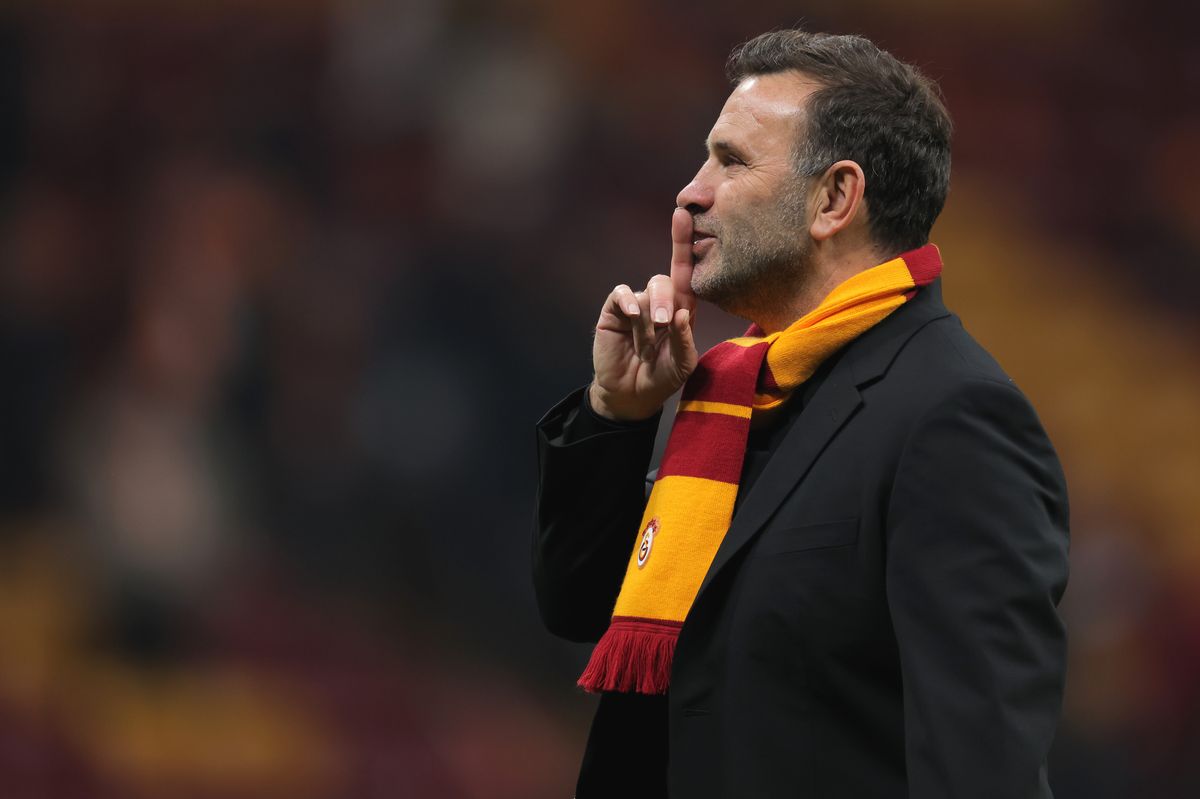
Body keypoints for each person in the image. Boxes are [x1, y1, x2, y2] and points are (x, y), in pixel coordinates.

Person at [533, 29, 1068, 799]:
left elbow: (980, 763)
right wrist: (617, 414)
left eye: (732, 160)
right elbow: (577, 606)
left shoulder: (953, 418)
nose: (691, 191)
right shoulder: (727, 392)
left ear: (834, 199)